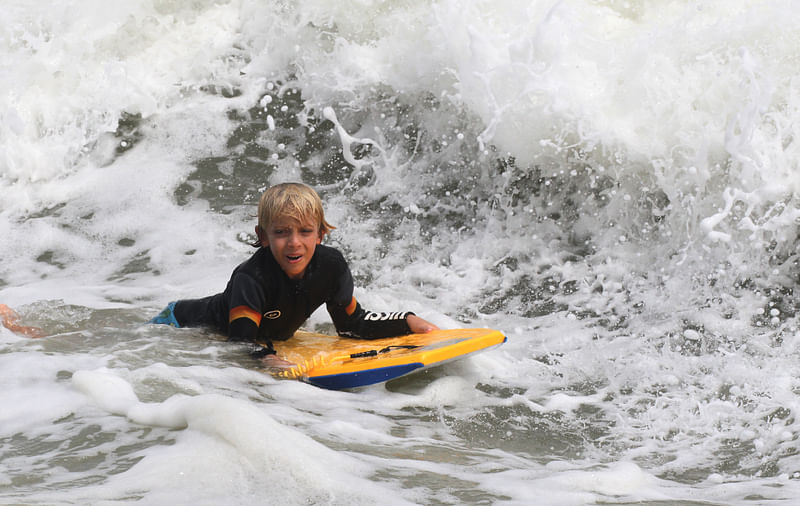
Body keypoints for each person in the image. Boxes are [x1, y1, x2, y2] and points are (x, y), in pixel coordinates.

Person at [150, 182, 438, 368]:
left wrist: (407, 322)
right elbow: (239, 344)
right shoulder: (251, 278)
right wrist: (268, 360)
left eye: (305, 231)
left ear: (321, 234)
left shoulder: (332, 267)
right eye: (281, 232)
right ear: (263, 237)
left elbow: (353, 325)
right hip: (181, 324)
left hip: (252, 337)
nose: (294, 242)